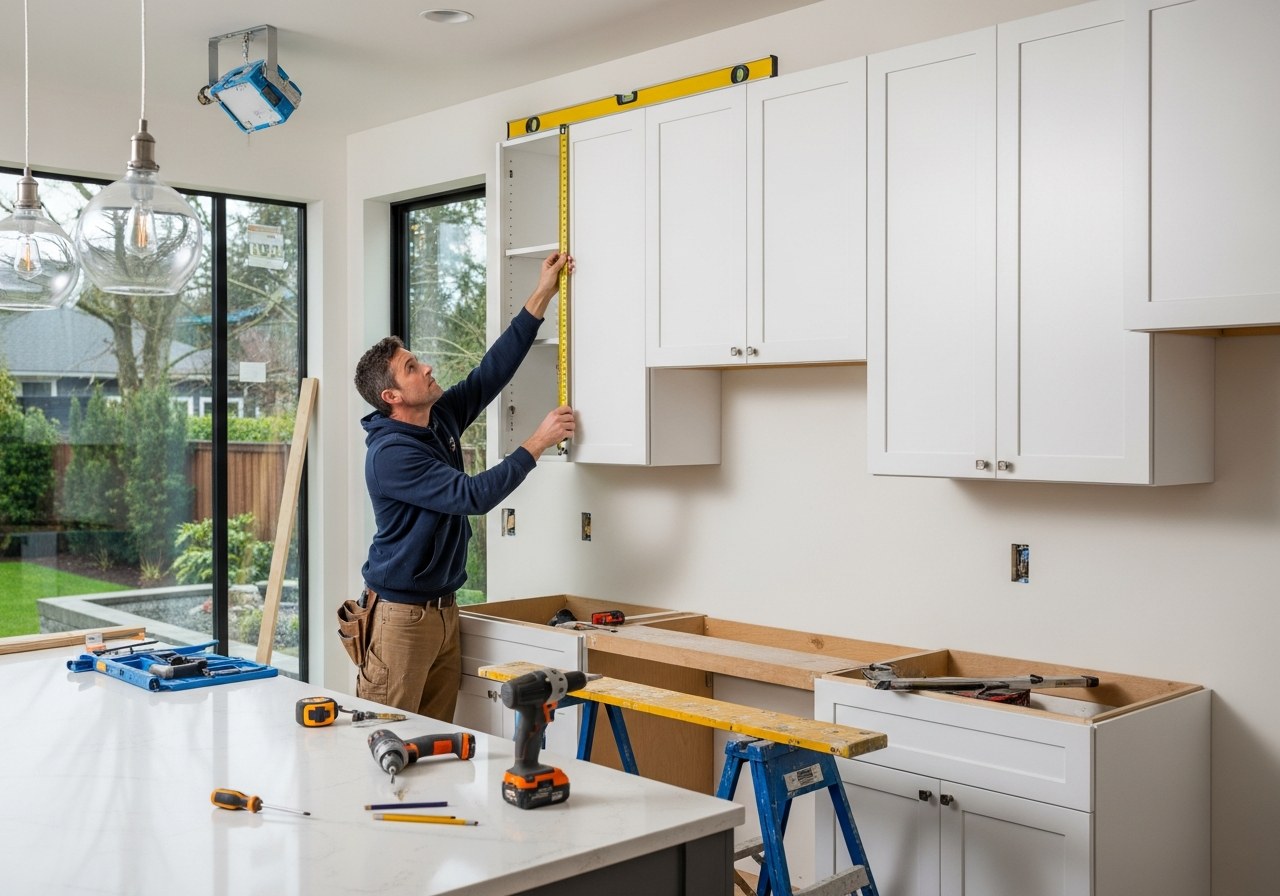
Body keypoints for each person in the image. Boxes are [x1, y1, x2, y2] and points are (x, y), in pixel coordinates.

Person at [351, 251, 575, 719]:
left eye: (417, 360)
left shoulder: (437, 418)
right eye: (412, 368)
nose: (427, 368)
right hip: (400, 619)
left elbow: (492, 371)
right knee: (383, 738)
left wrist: (543, 292)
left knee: (434, 741)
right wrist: (537, 442)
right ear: (392, 396)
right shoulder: (391, 455)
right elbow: (472, 497)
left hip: (443, 612)